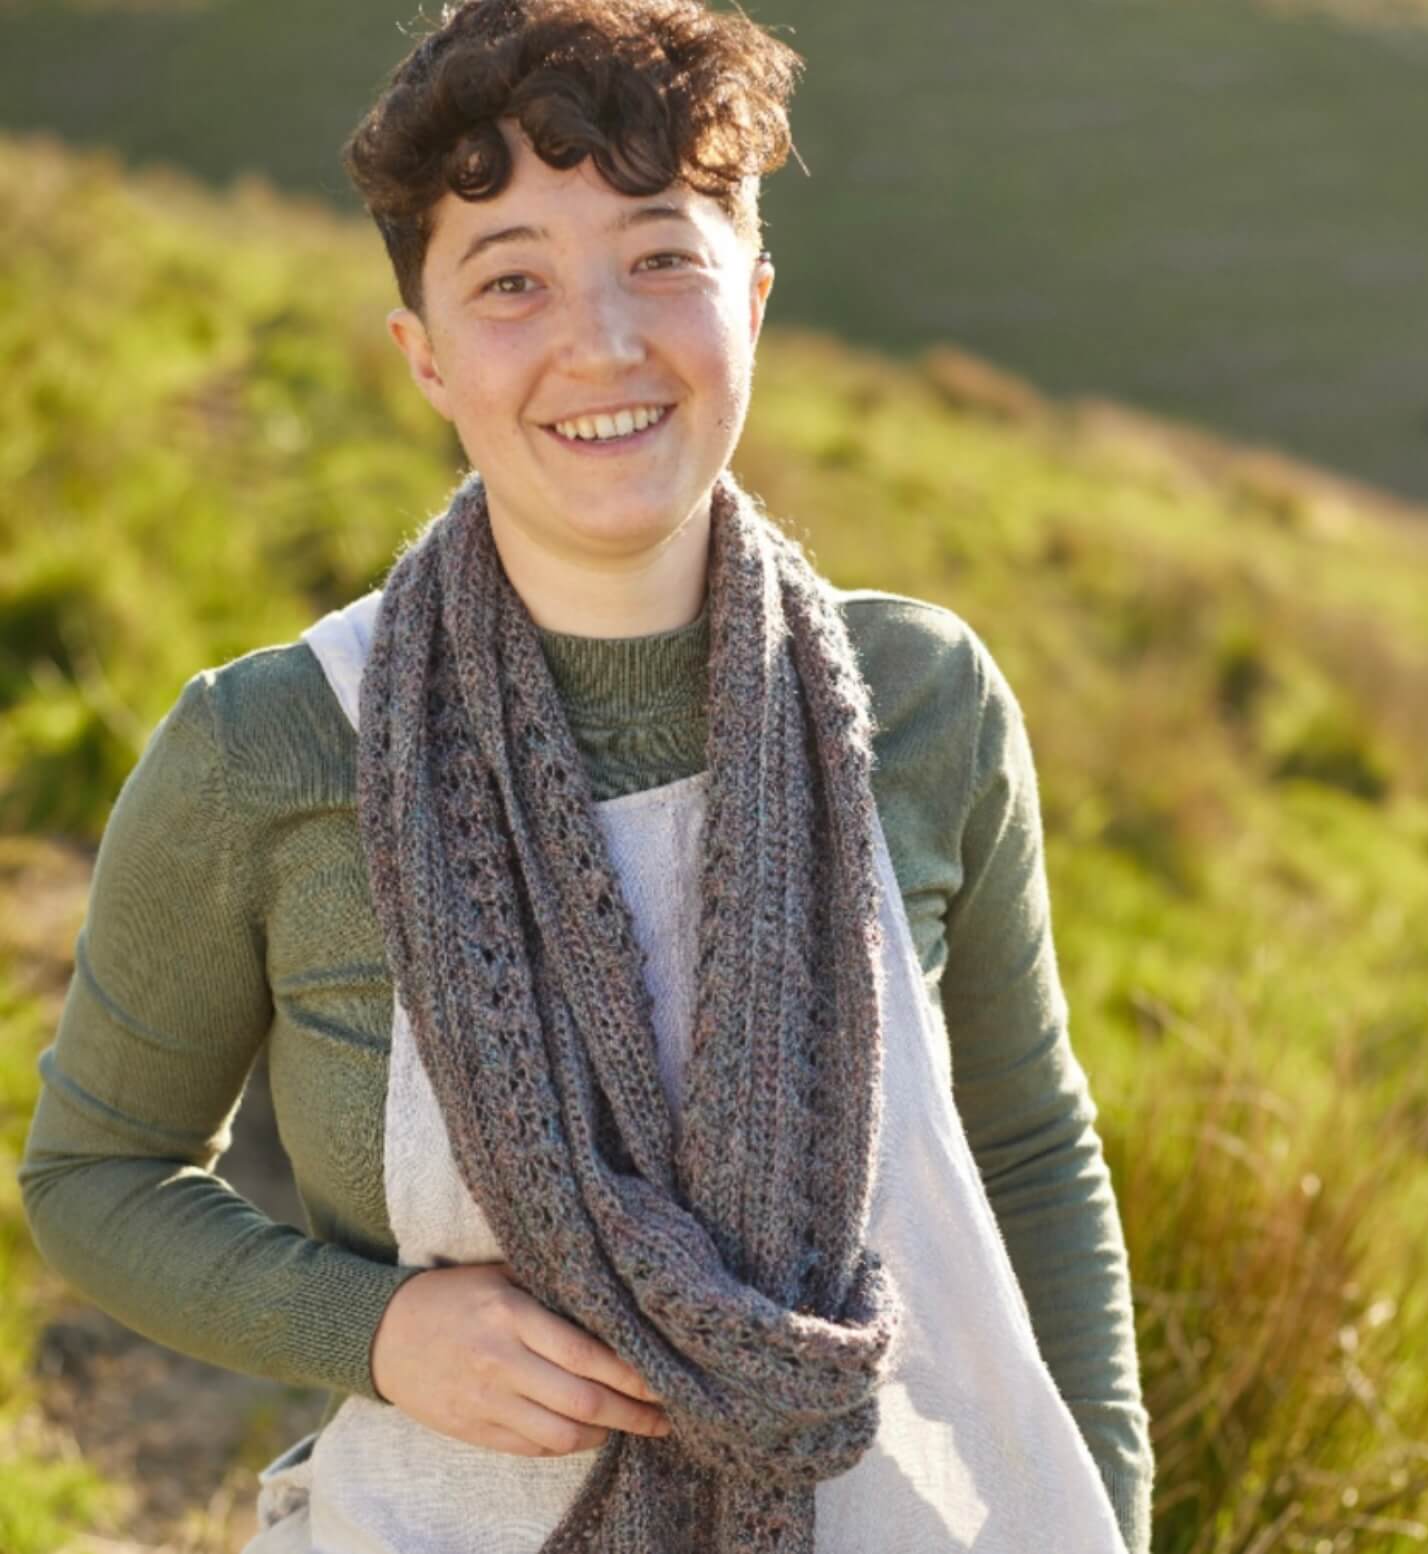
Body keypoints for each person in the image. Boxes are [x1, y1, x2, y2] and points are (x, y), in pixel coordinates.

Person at [20, 1, 1154, 1550]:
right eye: (511, 280)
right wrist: (380, 1331)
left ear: (753, 296)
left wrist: (1105, 1511)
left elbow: (1029, 1155)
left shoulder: (921, 699)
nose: (602, 341)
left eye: (660, 258)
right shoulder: (269, 748)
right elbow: (96, 1175)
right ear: (423, 354)